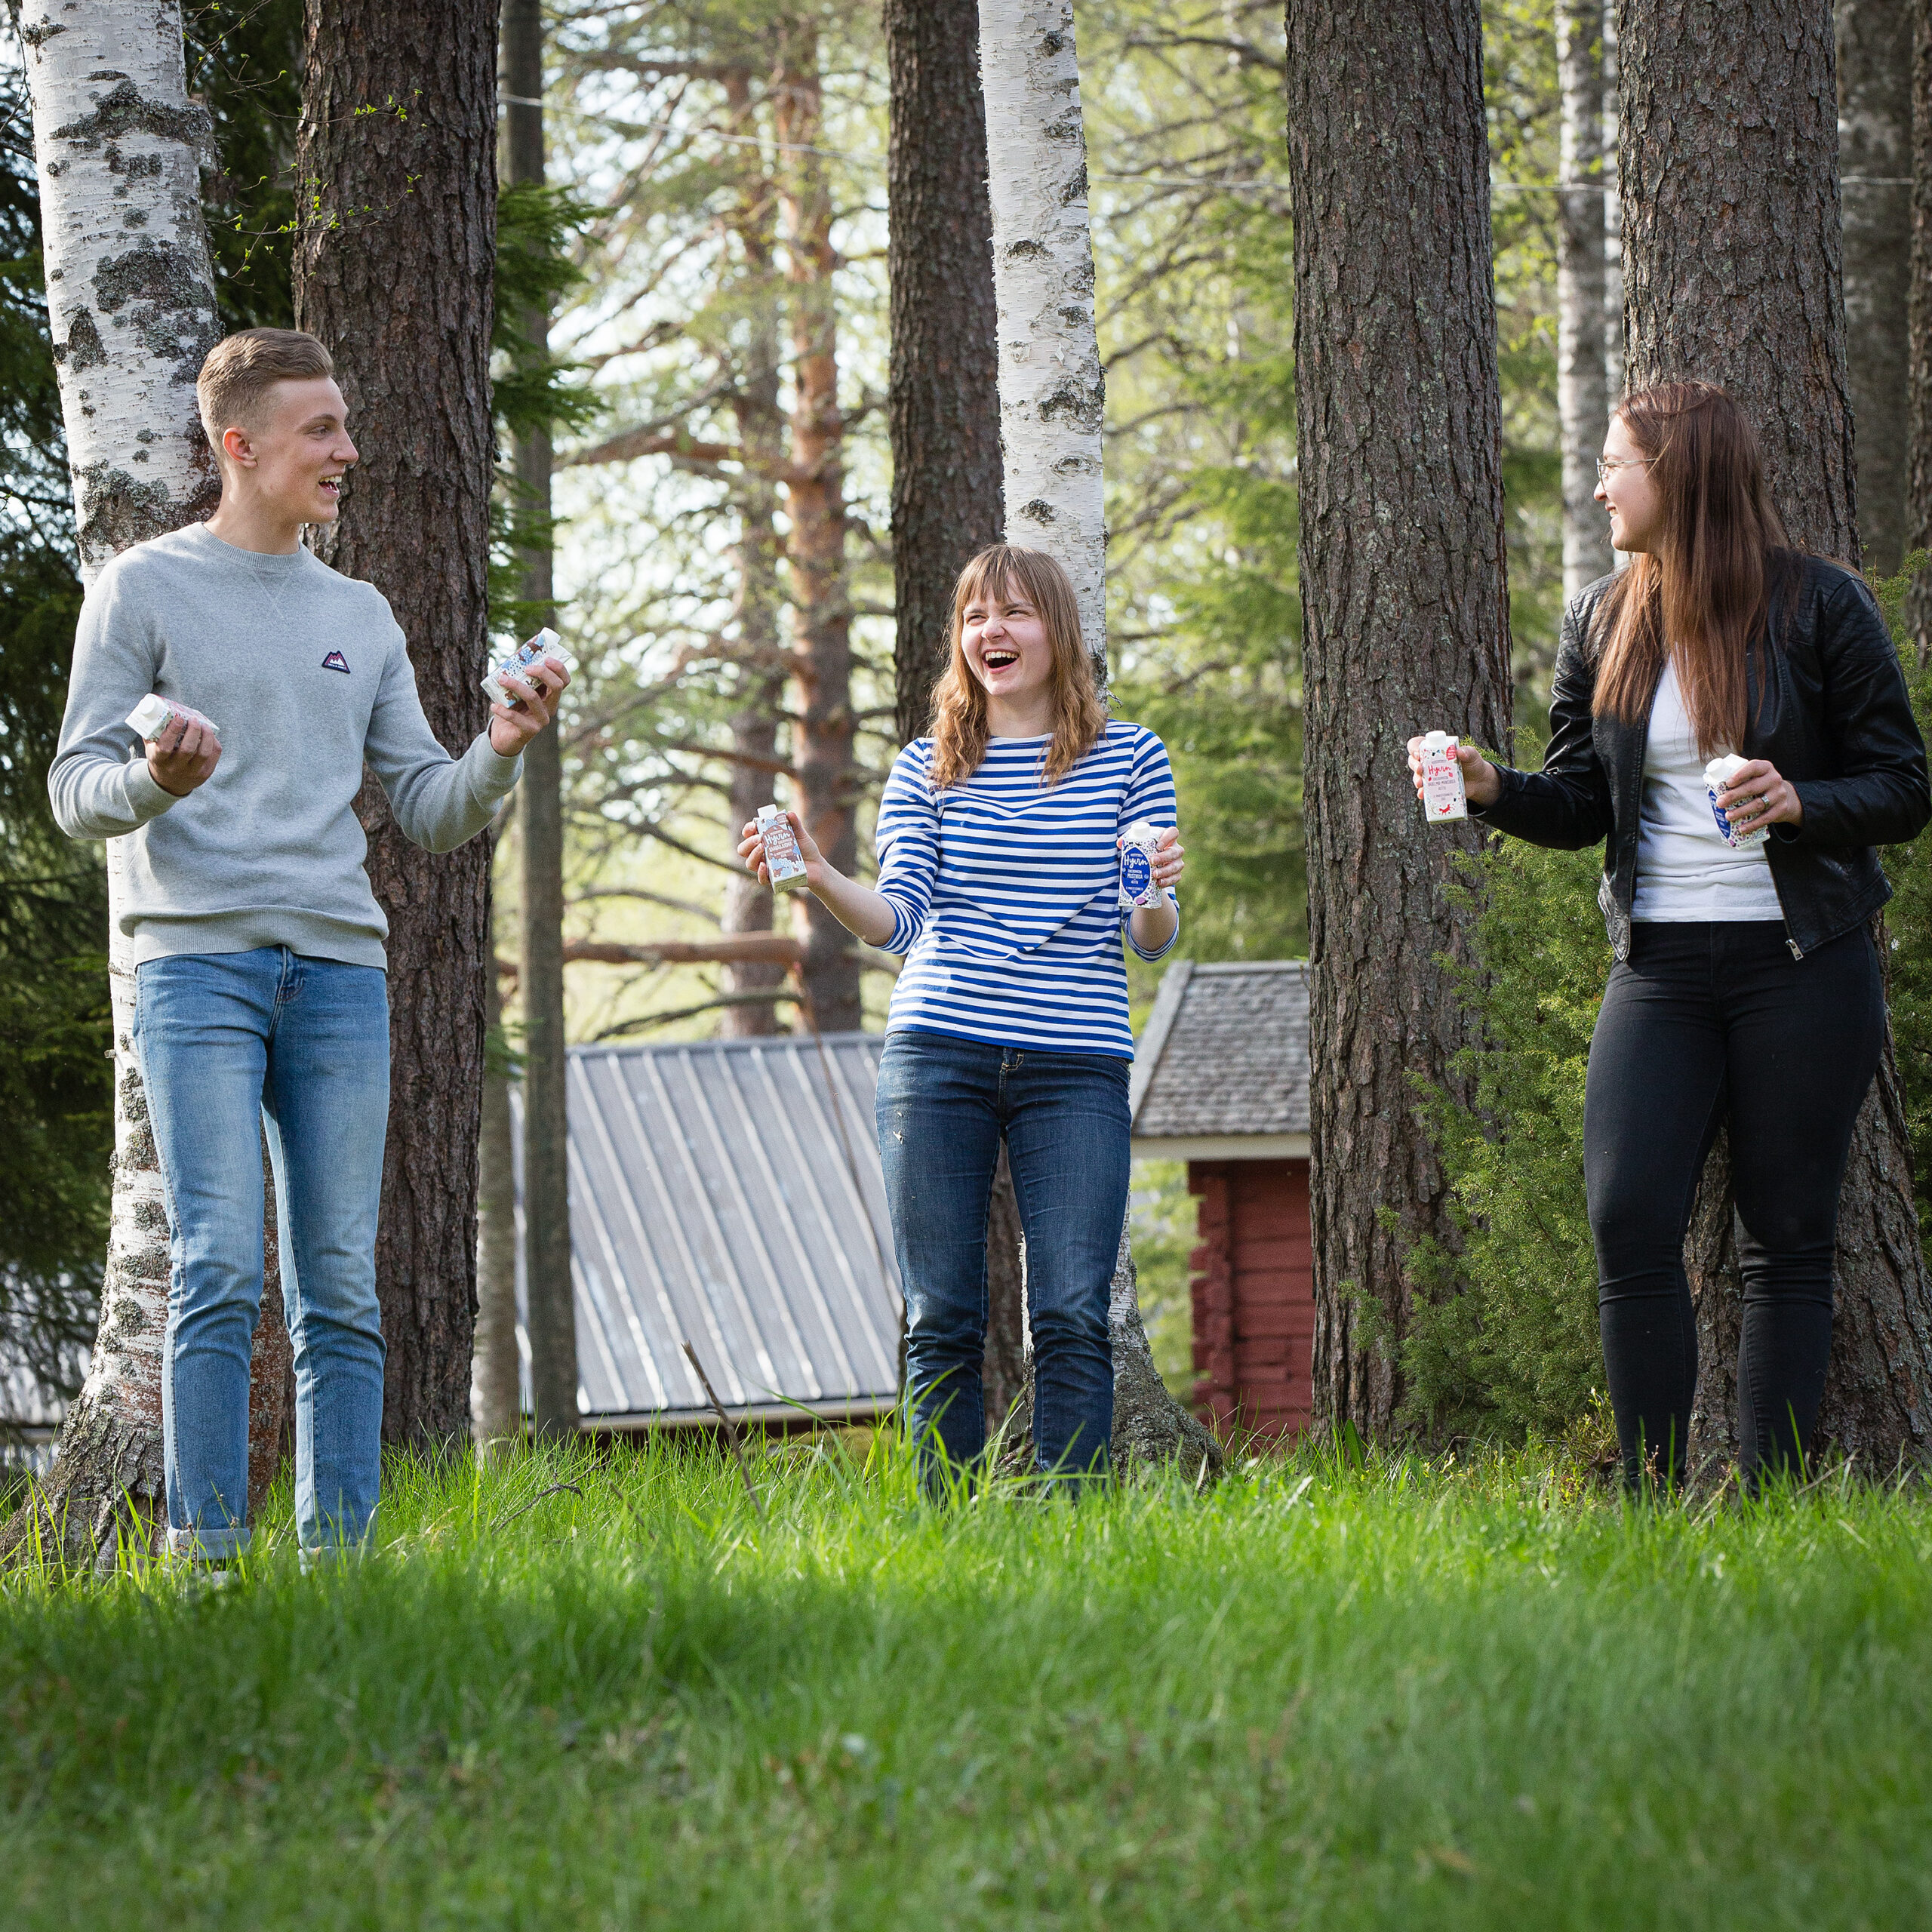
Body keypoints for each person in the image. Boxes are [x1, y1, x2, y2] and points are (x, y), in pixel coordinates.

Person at [50, 328, 568, 1565]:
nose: (348, 450)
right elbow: (75, 788)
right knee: (222, 1262)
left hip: (340, 975)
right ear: (242, 445)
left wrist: (499, 746)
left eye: (344, 425)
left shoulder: (360, 614)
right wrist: (154, 783)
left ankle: (339, 1568)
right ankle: (208, 1562)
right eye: (320, 431)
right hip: (198, 968)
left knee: (339, 1286)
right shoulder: (144, 589)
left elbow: (430, 811)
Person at [1411, 379, 1929, 1493]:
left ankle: (1772, 1509)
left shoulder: (1823, 607)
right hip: (1659, 967)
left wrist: (1801, 801)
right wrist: (1494, 786)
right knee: (1627, 1215)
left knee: (1787, 1237)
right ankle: (1646, 1504)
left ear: (1680, 475)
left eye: (1615, 464)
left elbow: (1904, 786)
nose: (1600, 485)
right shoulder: (1602, 616)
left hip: (1803, 962)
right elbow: (1582, 803)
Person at [739, 544, 1184, 1488]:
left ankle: (1073, 1524)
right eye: (977, 618)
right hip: (939, 1052)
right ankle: (946, 1527)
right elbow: (898, 918)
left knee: (1069, 1308)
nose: (993, 633)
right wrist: (818, 874)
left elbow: (1148, 936)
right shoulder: (927, 764)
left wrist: (1151, 890)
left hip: (1077, 1061)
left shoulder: (1130, 756)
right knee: (940, 1312)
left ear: (1056, 632)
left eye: (1015, 614)